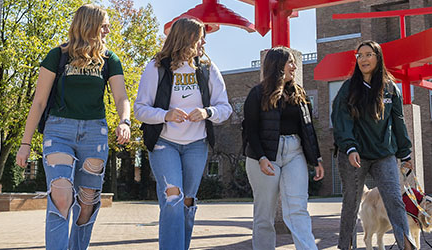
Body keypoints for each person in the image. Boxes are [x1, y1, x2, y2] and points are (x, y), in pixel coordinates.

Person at [14, 4, 131, 250]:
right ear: (89, 25)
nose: (108, 30)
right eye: (104, 25)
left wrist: (124, 121)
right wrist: (25, 144)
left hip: (94, 135)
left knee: (87, 201)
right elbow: (39, 102)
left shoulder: (110, 59)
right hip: (59, 132)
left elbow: (121, 98)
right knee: (61, 194)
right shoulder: (57, 56)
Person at [134, 17, 232, 250]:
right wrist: (165, 115)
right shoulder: (156, 67)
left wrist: (207, 112)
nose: (204, 44)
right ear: (185, 38)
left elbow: (225, 108)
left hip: (196, 144)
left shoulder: (208, 68)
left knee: (187, 202)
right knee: (172, 198)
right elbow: (140, 109)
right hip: (164, 143)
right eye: (200, 38)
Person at [331, 40, 417, 250]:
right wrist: (350, 147)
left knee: (395, 200)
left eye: (368, 54)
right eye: (359, 56)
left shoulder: (390, 88)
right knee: (351, 203)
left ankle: (407, 245)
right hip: (354, 155)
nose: (363, 59)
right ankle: (346, 246)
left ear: (377, 57)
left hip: (383, 154)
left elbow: (399, 122)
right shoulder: (348, 88)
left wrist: (405, 154)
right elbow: (341, 120)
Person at [242, 47, 326, 250]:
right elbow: (249, 131)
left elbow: (308, 128)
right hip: (264, 156)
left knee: (298, 209)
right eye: (290, 62)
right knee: (264, 214)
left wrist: (317, 159)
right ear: (277, 65)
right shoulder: (257, 93)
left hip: (294, 152)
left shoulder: (300, 94)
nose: (294, 66)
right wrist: (261, 157)